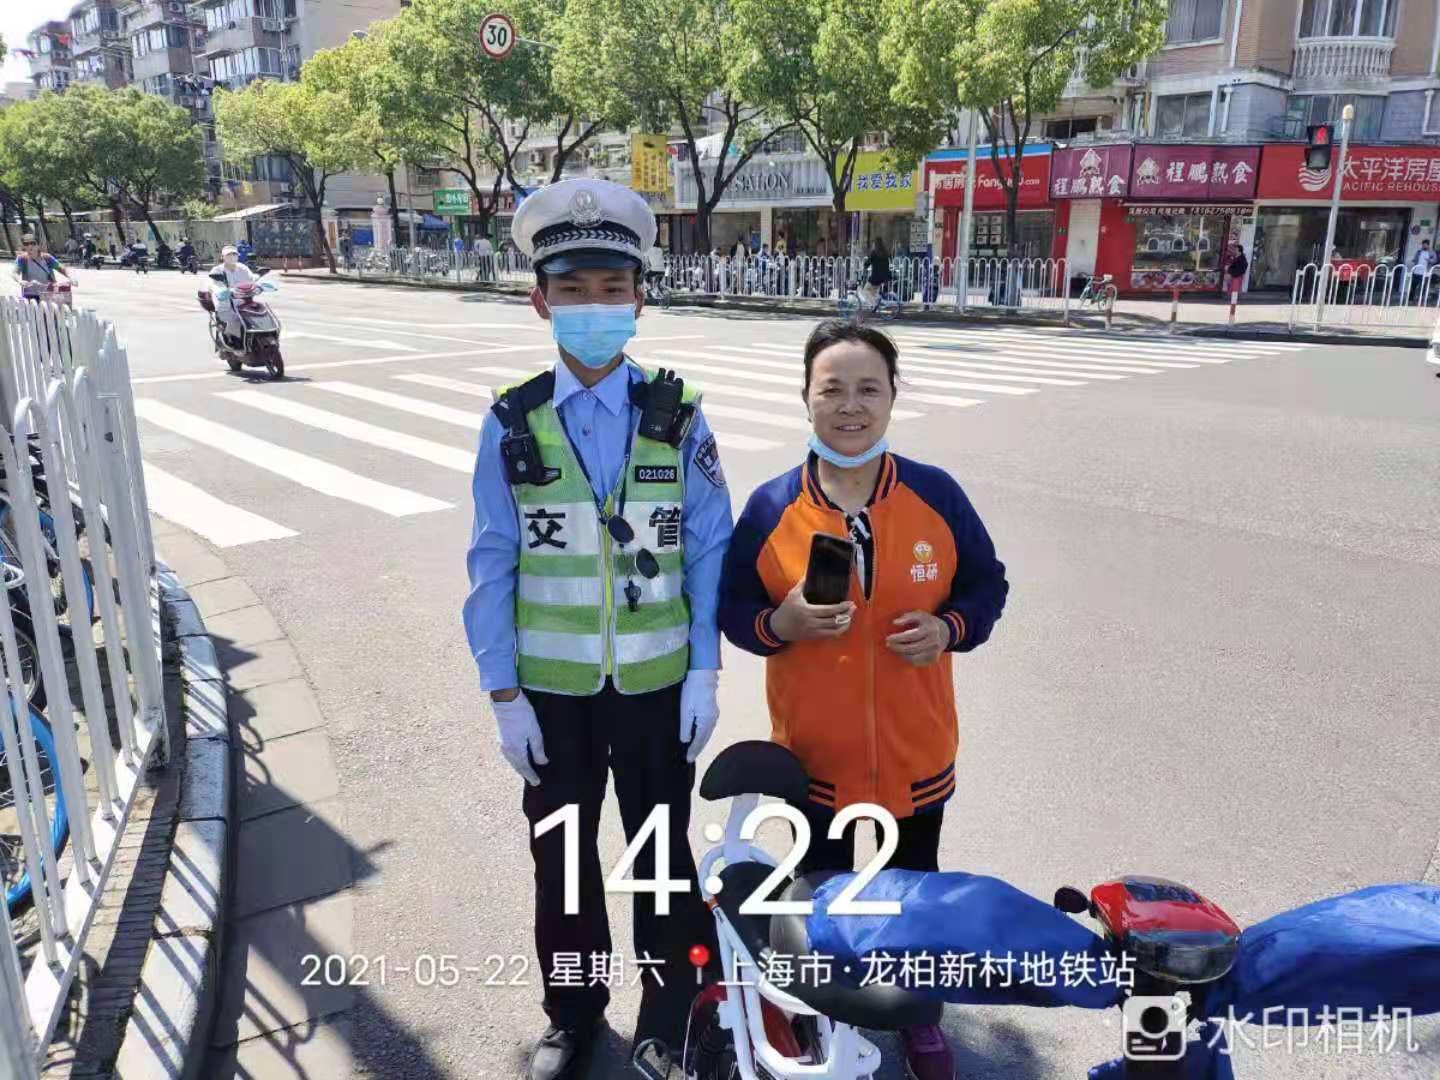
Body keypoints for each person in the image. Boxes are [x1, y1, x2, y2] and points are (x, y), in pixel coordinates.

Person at [464, 178, 732, 1080]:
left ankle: (668, 1016)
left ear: (639, 299)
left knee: (661, 858)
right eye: (572, 290)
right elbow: (492, 561)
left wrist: (705, 674)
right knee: (565, 862)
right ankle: (573, 1013)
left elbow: (710, 550)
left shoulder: (678, 414)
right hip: (554, 695)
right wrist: (504, 696)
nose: (593, 307)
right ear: (540, 301)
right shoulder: (512, 421)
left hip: (657, 688)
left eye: (612, 288)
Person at [718, 319, 1009, 1080]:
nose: (851, 406)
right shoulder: (772, 507)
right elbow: (733, 611)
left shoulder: (935, 494)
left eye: (868, 389)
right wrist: (778, 624)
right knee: (819, 906)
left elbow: (987, 585)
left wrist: (949, 629)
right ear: (806, 398)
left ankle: (917, 1018)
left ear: (892, 396)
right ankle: (818, 1018)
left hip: (917, 756)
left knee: (913, 900)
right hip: (814, 761)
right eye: (833, 389)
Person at [209, 244, 254, 345]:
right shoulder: (217, 270)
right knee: (234, 321)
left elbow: (252, 279)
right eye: (228, 255)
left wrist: (260, 284)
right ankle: (229, 340)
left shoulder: (243, 268)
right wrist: (227, 291)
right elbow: (215, 286)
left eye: (234, 254)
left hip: (243, 300)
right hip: (225, 303)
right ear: (222, 257)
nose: (232, 256)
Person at [12, 234, 73, 300]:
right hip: (30, 295)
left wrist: (71, 277)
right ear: (23, 246)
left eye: (33, 243)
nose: (30, 246)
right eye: (26, 244)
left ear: (38, 245)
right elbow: (14, 273)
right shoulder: (22, 259)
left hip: (48, 294)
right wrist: (20, 281)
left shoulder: (47, 258)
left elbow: (61, 268)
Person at [861, 237, 893, 309]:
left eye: (873, 243)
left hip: (876, 277)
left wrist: (865, 265)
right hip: (884, 277)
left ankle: (874, 304)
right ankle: (875, 305)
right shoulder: (885, 252)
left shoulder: (874, 253)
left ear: (875, 244)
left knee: (865, 290)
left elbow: (868, 262)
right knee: (873, 292)